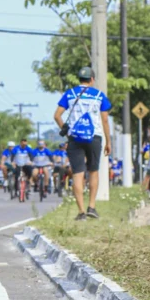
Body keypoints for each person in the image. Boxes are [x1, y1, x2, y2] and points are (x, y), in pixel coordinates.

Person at [54, 66, 112, 221]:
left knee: (77, 174)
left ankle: (81, 212)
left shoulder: (70, 94)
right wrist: (108, 141)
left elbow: (57, 116)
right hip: (95, 138)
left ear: (79, 79)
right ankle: (91, 207)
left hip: (75, 138)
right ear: (92, 79)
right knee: (93, 171)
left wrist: (66, 131)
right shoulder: (99, 95)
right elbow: (105, 119)